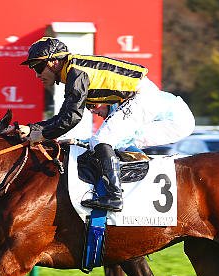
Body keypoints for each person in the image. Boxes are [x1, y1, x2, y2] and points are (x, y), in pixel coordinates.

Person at [18, 37, 195, 211]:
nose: (37, 75)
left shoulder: (75, 72)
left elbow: (70, 118)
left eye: (38, 67)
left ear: (54, 62)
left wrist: (41, 134)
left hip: (141, 96)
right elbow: (66, 116)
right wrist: (34, 129)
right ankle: (127, 189)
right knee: (112, 143)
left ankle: (114, 196)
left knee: (102, 140)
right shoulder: (73, 70)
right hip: (141, 97)